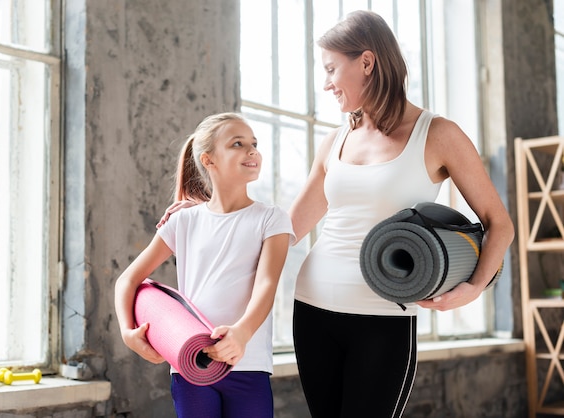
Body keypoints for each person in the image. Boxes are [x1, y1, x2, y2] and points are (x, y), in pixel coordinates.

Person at [288, 10, 515, 418]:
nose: (325, 84)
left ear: (367, 62)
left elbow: (500, 224)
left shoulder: (438, 134)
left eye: (331, 69)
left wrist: (475, 287)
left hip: (384, 319)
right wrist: (207, 214)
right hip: (312, 307)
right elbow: (287, 229)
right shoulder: (335, 141)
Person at [114, 112, 294, 418]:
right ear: (208, 160)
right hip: (190, 366)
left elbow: (267, 284)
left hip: (247, 363)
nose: (251, 150)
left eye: (254, 143)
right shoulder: (183, 221)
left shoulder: (271, 218)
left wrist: (241, 333)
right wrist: (127, 332)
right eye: (237, 144)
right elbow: (128, 280)